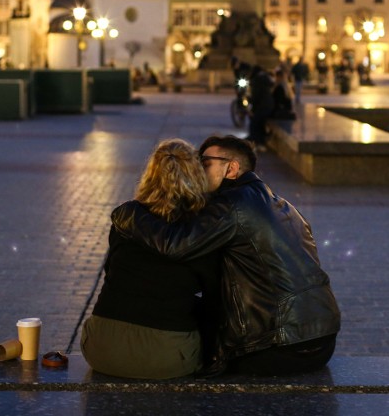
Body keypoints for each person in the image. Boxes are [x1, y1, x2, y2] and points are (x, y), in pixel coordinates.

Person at [112, 135, 341, 377]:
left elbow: (175, 244)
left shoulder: (232, 204)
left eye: (205, 162)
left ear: (231, 168)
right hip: (321, 340)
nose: (197, 169)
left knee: (185, 348)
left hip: (277, 347)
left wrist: (130, 214)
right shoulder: (285, 206)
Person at [80, 139, 220, 379]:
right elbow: (213, 293)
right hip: (166, 355)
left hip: (101, 346)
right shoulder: (200, 227)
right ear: (196, 175)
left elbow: (111, 271)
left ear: (151, 174)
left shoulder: (129, 216)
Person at [247, 65, 274, 149]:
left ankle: (257, 142)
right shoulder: (266, 78)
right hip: (269, 105)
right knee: (258, 121)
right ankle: (259, 141)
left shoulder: (256, 81)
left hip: (262, 107)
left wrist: (252, 108)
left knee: (254, 122)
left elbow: (256, 97)